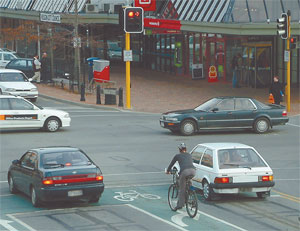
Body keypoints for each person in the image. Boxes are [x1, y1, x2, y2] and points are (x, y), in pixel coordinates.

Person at [166, 143, 196, 210]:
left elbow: (171, 164)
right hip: (193, 171)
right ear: (186, 149)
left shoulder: (177, 156)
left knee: (182, 188)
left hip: (185, 172)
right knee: (189, 182)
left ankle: (180, 205)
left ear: (179, 149)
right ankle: (193, 198)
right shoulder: (189, 155)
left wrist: (168, 171)